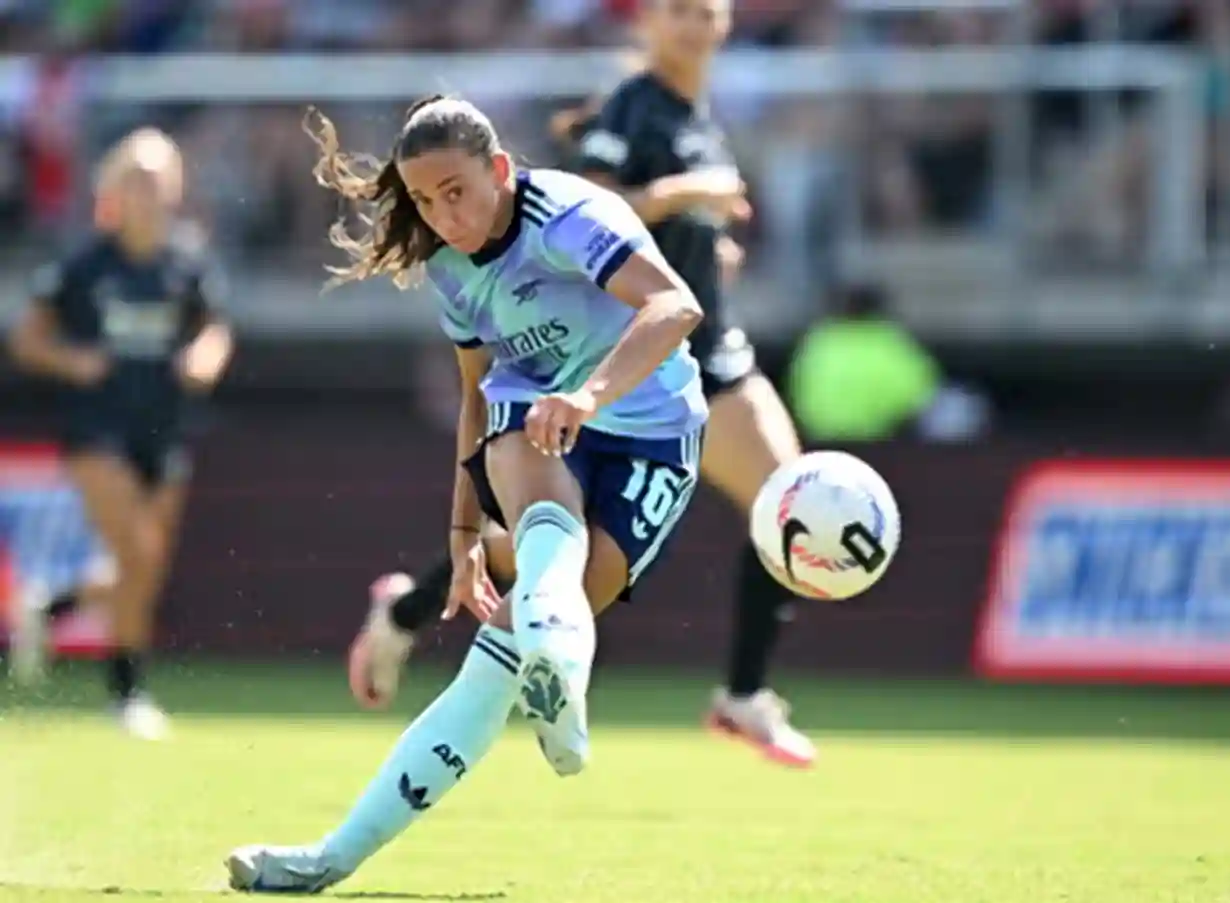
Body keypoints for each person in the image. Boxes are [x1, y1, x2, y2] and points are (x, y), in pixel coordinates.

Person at [224, 95, 707, 894]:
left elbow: (675, 304)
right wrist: (459, 535)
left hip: (651, 434)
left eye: (456, 191)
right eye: (423, 200)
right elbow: (477, 401)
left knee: (500, 661)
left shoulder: (570, 216)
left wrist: (588, 395)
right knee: (540, 498)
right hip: (541, 419)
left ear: (501, 170)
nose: (442, 216)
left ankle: (548, 683)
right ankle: (328, 856)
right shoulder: (449, 268)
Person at [357, 0, 817, 769]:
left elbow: (671, 249)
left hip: (707, 351)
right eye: (677, 12)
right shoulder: (636, 110)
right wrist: (685, 195)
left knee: (786, 502)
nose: (694, 27)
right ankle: (407, 609)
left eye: (706, 12)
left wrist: (710, 244)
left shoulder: (696, 115)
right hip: (614, 356)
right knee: (546, 544)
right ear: (647, 25)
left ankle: (743, 691)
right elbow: (593, 200)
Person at [5, 128, 234, 740]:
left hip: (162, 426)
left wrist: (205, 359)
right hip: (96, 428)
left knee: (145, 565)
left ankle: (52, 608)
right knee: (135, 553)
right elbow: (28, 339)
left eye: (159, 180)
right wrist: (71, 361)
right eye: (137, 179)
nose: (148, 193)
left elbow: (214, 328)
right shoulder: (85, 265)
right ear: (113, 190)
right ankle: (126, 691)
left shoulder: (187, 262)